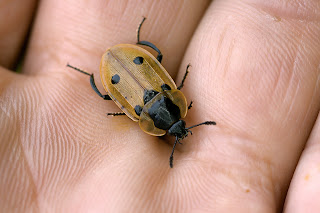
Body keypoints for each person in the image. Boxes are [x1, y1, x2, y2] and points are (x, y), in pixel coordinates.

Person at [0, 1, 319, 212]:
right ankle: (91, 73)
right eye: (182, 125)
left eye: (177, 127)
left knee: (115, 91)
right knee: (112, 93)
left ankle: (93, 73)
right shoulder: (163, 101)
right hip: (124, 64)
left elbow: (152, 71)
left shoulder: (168, 99)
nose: (181, 129)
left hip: (126, 68)